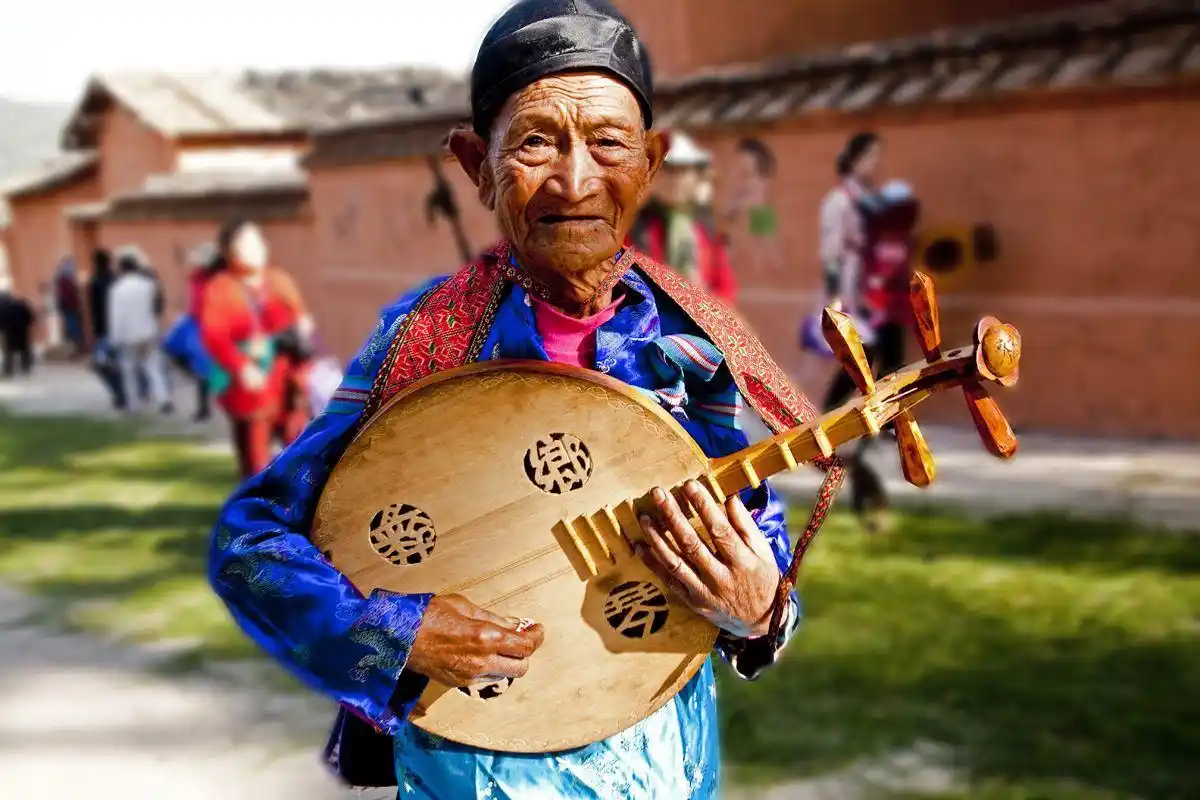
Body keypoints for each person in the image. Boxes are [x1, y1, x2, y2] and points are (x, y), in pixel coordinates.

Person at [207, 2, 844, 797]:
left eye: (609, 142)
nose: (575, 181)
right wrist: (394, 635)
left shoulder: (692, 345)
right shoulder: (425, 340)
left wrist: (761, 610)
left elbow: (751, 536)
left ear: (650, 160)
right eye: (536, 141)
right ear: (477, 163)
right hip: (469, 767)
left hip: (663, 758)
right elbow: (252, 543)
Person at [199, 218, 312, 478]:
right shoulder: (221, 288)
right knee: (255, 460)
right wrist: (242, 367)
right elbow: (215, 337)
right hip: (251, 386)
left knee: (299, 449)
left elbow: (302, 319)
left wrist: (300, 331)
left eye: (257, 241)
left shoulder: (279, 280)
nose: (256, 249)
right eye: (247, 244)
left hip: (288, 379)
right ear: (231, 252)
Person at [629, 129, 737, 305]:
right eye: (668, 170)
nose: (676, 179)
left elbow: (724, 287)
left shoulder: (705, 226)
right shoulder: (635, 225)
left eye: (683, 170)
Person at [107, 247, 173, 414]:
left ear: (122, 268)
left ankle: (133, 404)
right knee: (153, 367)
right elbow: (155, 307)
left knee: (129, 371)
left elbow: (116, 316)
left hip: (128, 335)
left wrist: (114, 339)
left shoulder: (117, 289)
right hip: (148, 331)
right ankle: (163, 399)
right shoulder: (148, 285)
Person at [163, 243, 220, 421]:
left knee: (203, 365)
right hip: (195, 322)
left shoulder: (216, 280)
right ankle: (205, 398)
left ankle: (204, 408)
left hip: (209, 324)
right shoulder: (197, 277)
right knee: (171, 347)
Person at [728, 138, 785, 273]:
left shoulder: (751, 166)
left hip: (757, 209)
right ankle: (769, 269)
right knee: (764, 244)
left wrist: (736, 204)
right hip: (761, 208)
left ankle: (768, 269)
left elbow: (746, 190)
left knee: (762, 244)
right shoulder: (761, 169)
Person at [86, 248, 128, 409]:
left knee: (101, 363)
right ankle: (123, 391)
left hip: (104, 329)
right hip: (119, 327)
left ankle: (119, 392)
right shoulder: (116, 280)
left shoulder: (95, 282)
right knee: (118, 362)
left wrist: (93, 332)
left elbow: (93, 309)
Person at [0, 278, 35, 378]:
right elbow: (30, 316)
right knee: (24, 349)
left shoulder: (3, 305)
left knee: (9, 351)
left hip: (10, 330)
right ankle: (26, 367)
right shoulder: (21, 304)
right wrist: (28, 325)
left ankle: (8, 370)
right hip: (21, 329)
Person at [53, 256, 85, 358]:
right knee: (73, 327)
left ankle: (74, 349)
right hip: (70, 307)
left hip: (66, 307)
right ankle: (75, 350)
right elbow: (70, 294)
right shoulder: (67, 280)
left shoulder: (61, 279)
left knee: (70, 327)